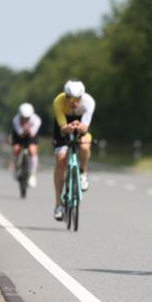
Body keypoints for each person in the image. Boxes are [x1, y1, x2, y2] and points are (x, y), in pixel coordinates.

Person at [52, 79, 96, 221]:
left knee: (84, 145)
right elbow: (63, 127)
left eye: (77, 99)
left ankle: (83, 173)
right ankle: (58, 205)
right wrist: (69, 128)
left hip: (81, 124)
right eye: (70, 98)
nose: (74, 102)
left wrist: (79, 126)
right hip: (64, 125)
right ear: (65, 96)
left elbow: (85, 127)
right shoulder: (58, 102)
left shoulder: (89, 102)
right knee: (61, 160)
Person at [11, 102, 42, 187]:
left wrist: (28, 130)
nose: (25, 119)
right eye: (23, 118)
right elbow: (20, 133)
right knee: (16, 149)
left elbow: (33, 133)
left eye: (27, 118)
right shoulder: (16, 119)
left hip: (31, 136)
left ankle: (32, 174)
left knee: (32, 150)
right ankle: (15, 169)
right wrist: (24, 130)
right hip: (19, 135)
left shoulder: (36, 120)